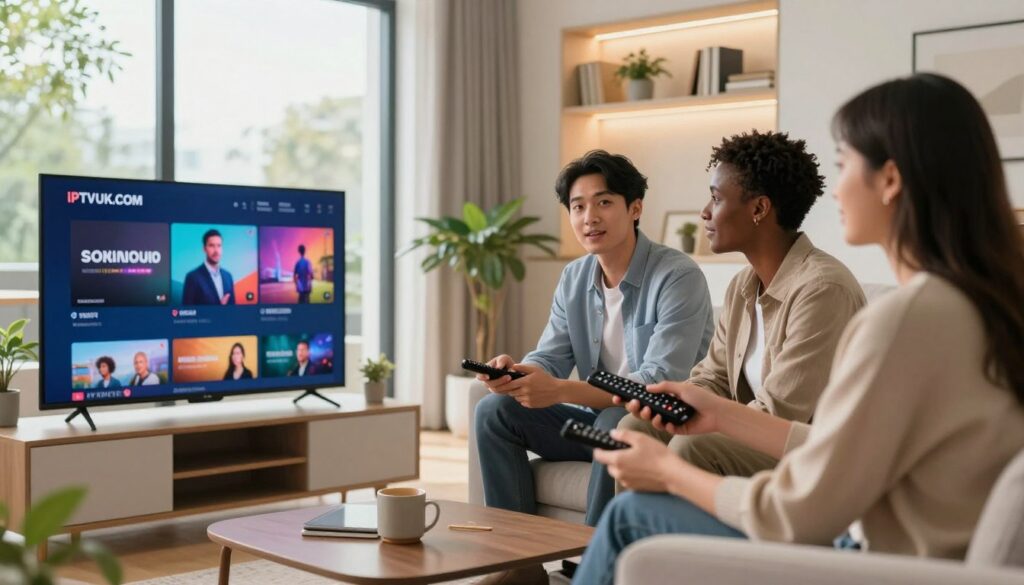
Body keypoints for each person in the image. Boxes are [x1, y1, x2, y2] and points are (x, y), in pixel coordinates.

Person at [572, 74, 1024, 585]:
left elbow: (796, 513)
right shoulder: (977, 304)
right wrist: (718, 412)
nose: (836, 189)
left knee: (629, 517)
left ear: (890, 180)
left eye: (844, 164)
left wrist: (668, 472)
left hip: (879, 562)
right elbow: (841, 449)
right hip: (906, 552)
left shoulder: (904, 319)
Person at [474, 150, 715, 539]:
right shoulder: (574, 277)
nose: (590, 217)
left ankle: (592, 560)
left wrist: (559, 391)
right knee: (494, 411)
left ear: (635, 208)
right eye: (578, 206)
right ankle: (517, 559)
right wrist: (516, 374)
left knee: (614, 420)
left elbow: (658, 380)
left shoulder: (677, 276)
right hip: (597, 424)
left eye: (603, 203)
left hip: (659, 426)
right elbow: (550, 357)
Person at [617, 130, 865, 479]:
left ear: (759, 209)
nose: (704, 212)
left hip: (813, 452)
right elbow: (714, 377)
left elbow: (779, 415)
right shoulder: (742, 286)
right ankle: (633, 519)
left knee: (693, 445)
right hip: (757, 434)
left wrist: (709, 420)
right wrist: (670, 405)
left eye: (716, 199)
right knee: (635, 428)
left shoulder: (822, 290)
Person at [183, 229, 235, 305]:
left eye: (219, 246)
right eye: (212, 246)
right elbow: (187, 310)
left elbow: (233, 309)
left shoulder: (228, 276)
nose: (216, 250)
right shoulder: (192, 277)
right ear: (204, 249)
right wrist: (219, 308)